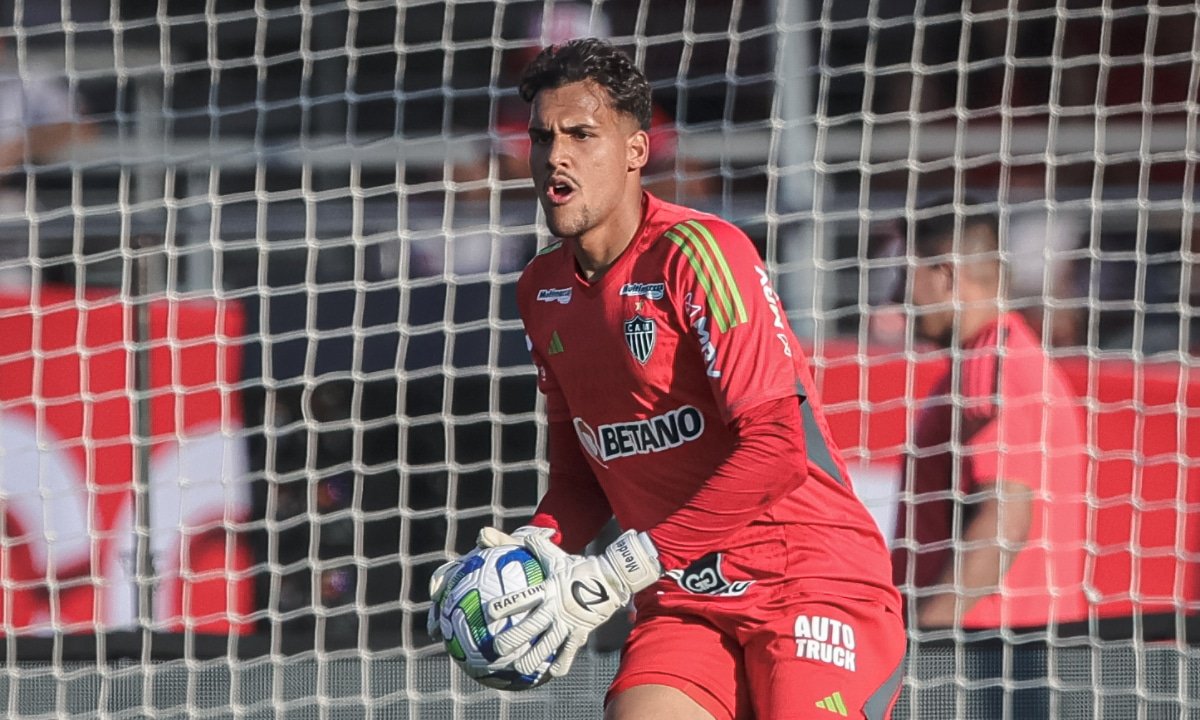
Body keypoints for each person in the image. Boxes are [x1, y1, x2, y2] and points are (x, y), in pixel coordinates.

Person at [430, 38, 906, 720]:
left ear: (636, 150)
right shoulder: (540, 289)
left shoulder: (701, 253)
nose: (555, 157)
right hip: (685, 600)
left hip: (808, 580)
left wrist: (624, 566)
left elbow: (775, 448)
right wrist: (527, 559)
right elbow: (579, 477)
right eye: (542, 138)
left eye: (581, 135)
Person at [890, 198, 1088, 631]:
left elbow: (1005, 520)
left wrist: (926, 637)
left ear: (946, 276)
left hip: (990, 660)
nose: (895, 297)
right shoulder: (985, 362)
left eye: (905, 277)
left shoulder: (997, 364)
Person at [453, 3, 717, 205]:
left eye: (575, 69)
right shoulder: (517, 115)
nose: (558, 80)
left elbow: (689, 180)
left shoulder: (631, 112)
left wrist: (597, 199)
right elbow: (490, 179)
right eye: (543, 66)